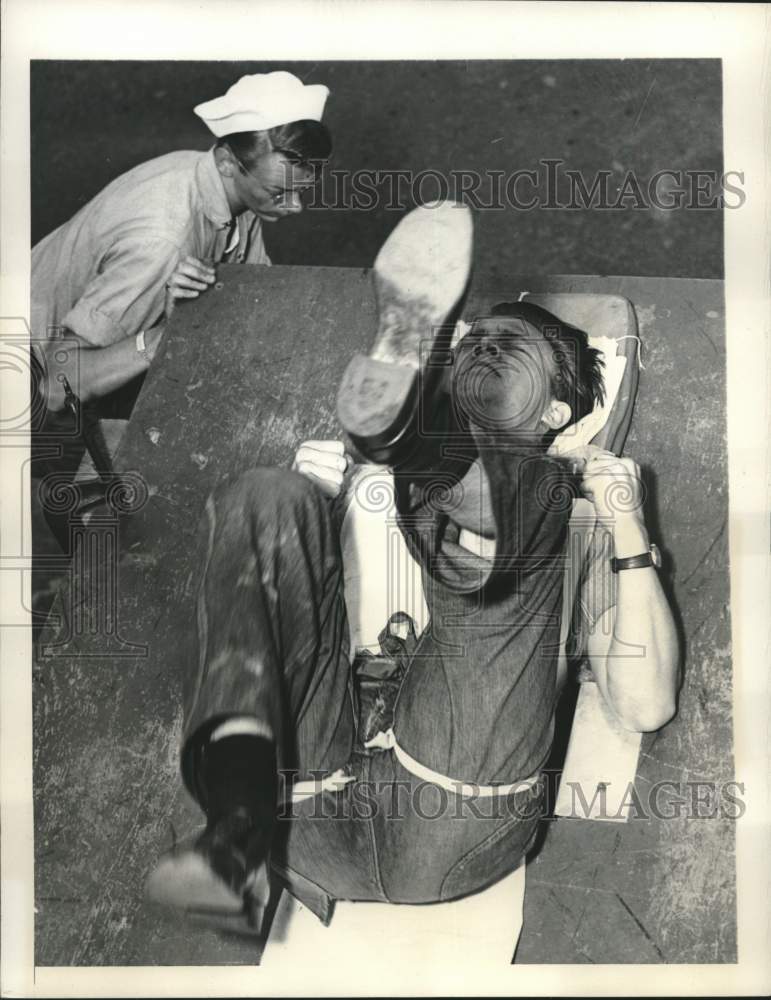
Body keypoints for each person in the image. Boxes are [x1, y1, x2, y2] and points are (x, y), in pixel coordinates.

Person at [146, 202, 680, 959]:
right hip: (305, 814)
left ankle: (430, 453)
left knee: (528, 503)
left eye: (510, 354)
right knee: (265, 497)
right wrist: (310, 525)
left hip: (451, 807)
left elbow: (646, 703)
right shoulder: (347, 479)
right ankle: (231, 832)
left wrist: (628, 528)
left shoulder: (578, 512)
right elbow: (268, 637)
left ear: (556, 409)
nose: (483, 354)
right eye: (472, 345)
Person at [30, 71, 332, 534]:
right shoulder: (164, 238)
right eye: (279, 193)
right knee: (116, 540)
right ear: (230, 162)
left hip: (90, 363)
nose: (295, 208)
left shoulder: (218, 182)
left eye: (300, 191)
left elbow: (253, 304)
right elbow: (58, 380)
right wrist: (168, 335)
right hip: (36, 378)